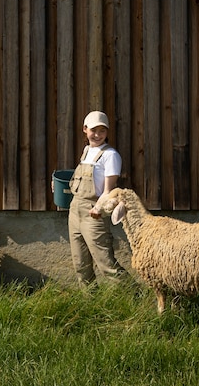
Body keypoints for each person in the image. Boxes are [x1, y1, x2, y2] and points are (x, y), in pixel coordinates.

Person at [67, 110, 127, 285]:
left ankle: (134, 297)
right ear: (85, 129)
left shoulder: (110, 155)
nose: (98, 135)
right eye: (94, 130)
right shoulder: (86, 151)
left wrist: (98, 208)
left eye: (102, 131)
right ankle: (89, 303)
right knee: (80, 264)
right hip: (75, 211)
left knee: (106, 264)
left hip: (93, 213)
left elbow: (109, 190)